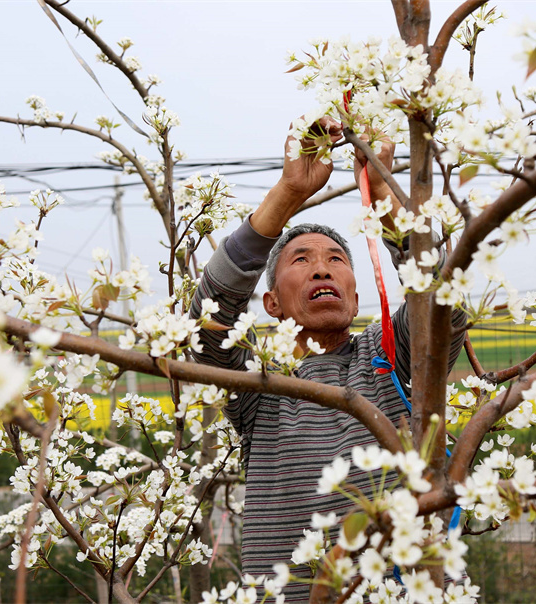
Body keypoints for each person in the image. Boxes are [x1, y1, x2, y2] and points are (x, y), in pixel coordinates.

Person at [190, 117, 466, 601]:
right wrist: (288, 191)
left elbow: (445, 306)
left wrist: (381, 191)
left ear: (356, 298)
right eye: (301, 259)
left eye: (337, 259)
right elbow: (204, 321)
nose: (321, 266)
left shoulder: (391, 361)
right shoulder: (259, 388)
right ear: (271, 303)